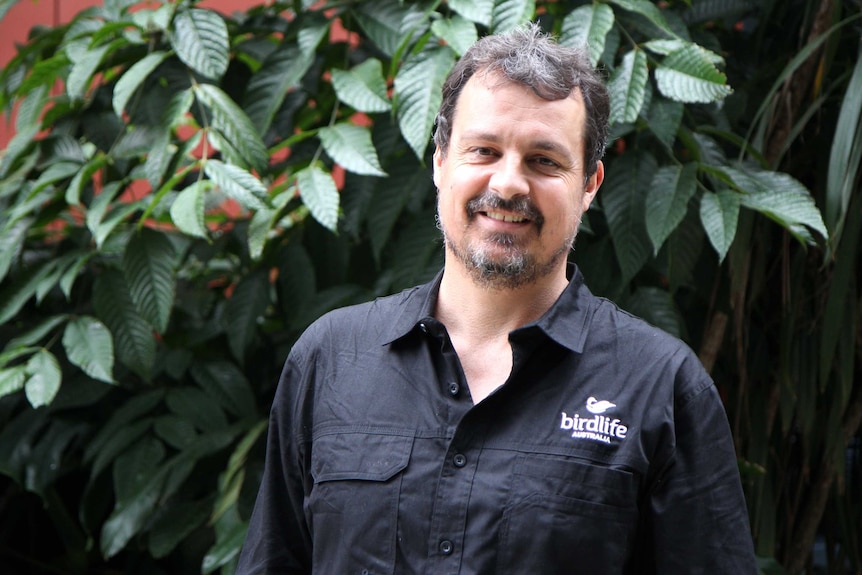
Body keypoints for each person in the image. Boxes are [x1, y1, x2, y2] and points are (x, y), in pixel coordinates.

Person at [236, 23, 758, 575]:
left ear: (590, 185)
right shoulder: (330, 359)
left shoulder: (661, 385)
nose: (509, 184)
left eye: (544, 161)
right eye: (483, 150)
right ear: (440, 163)